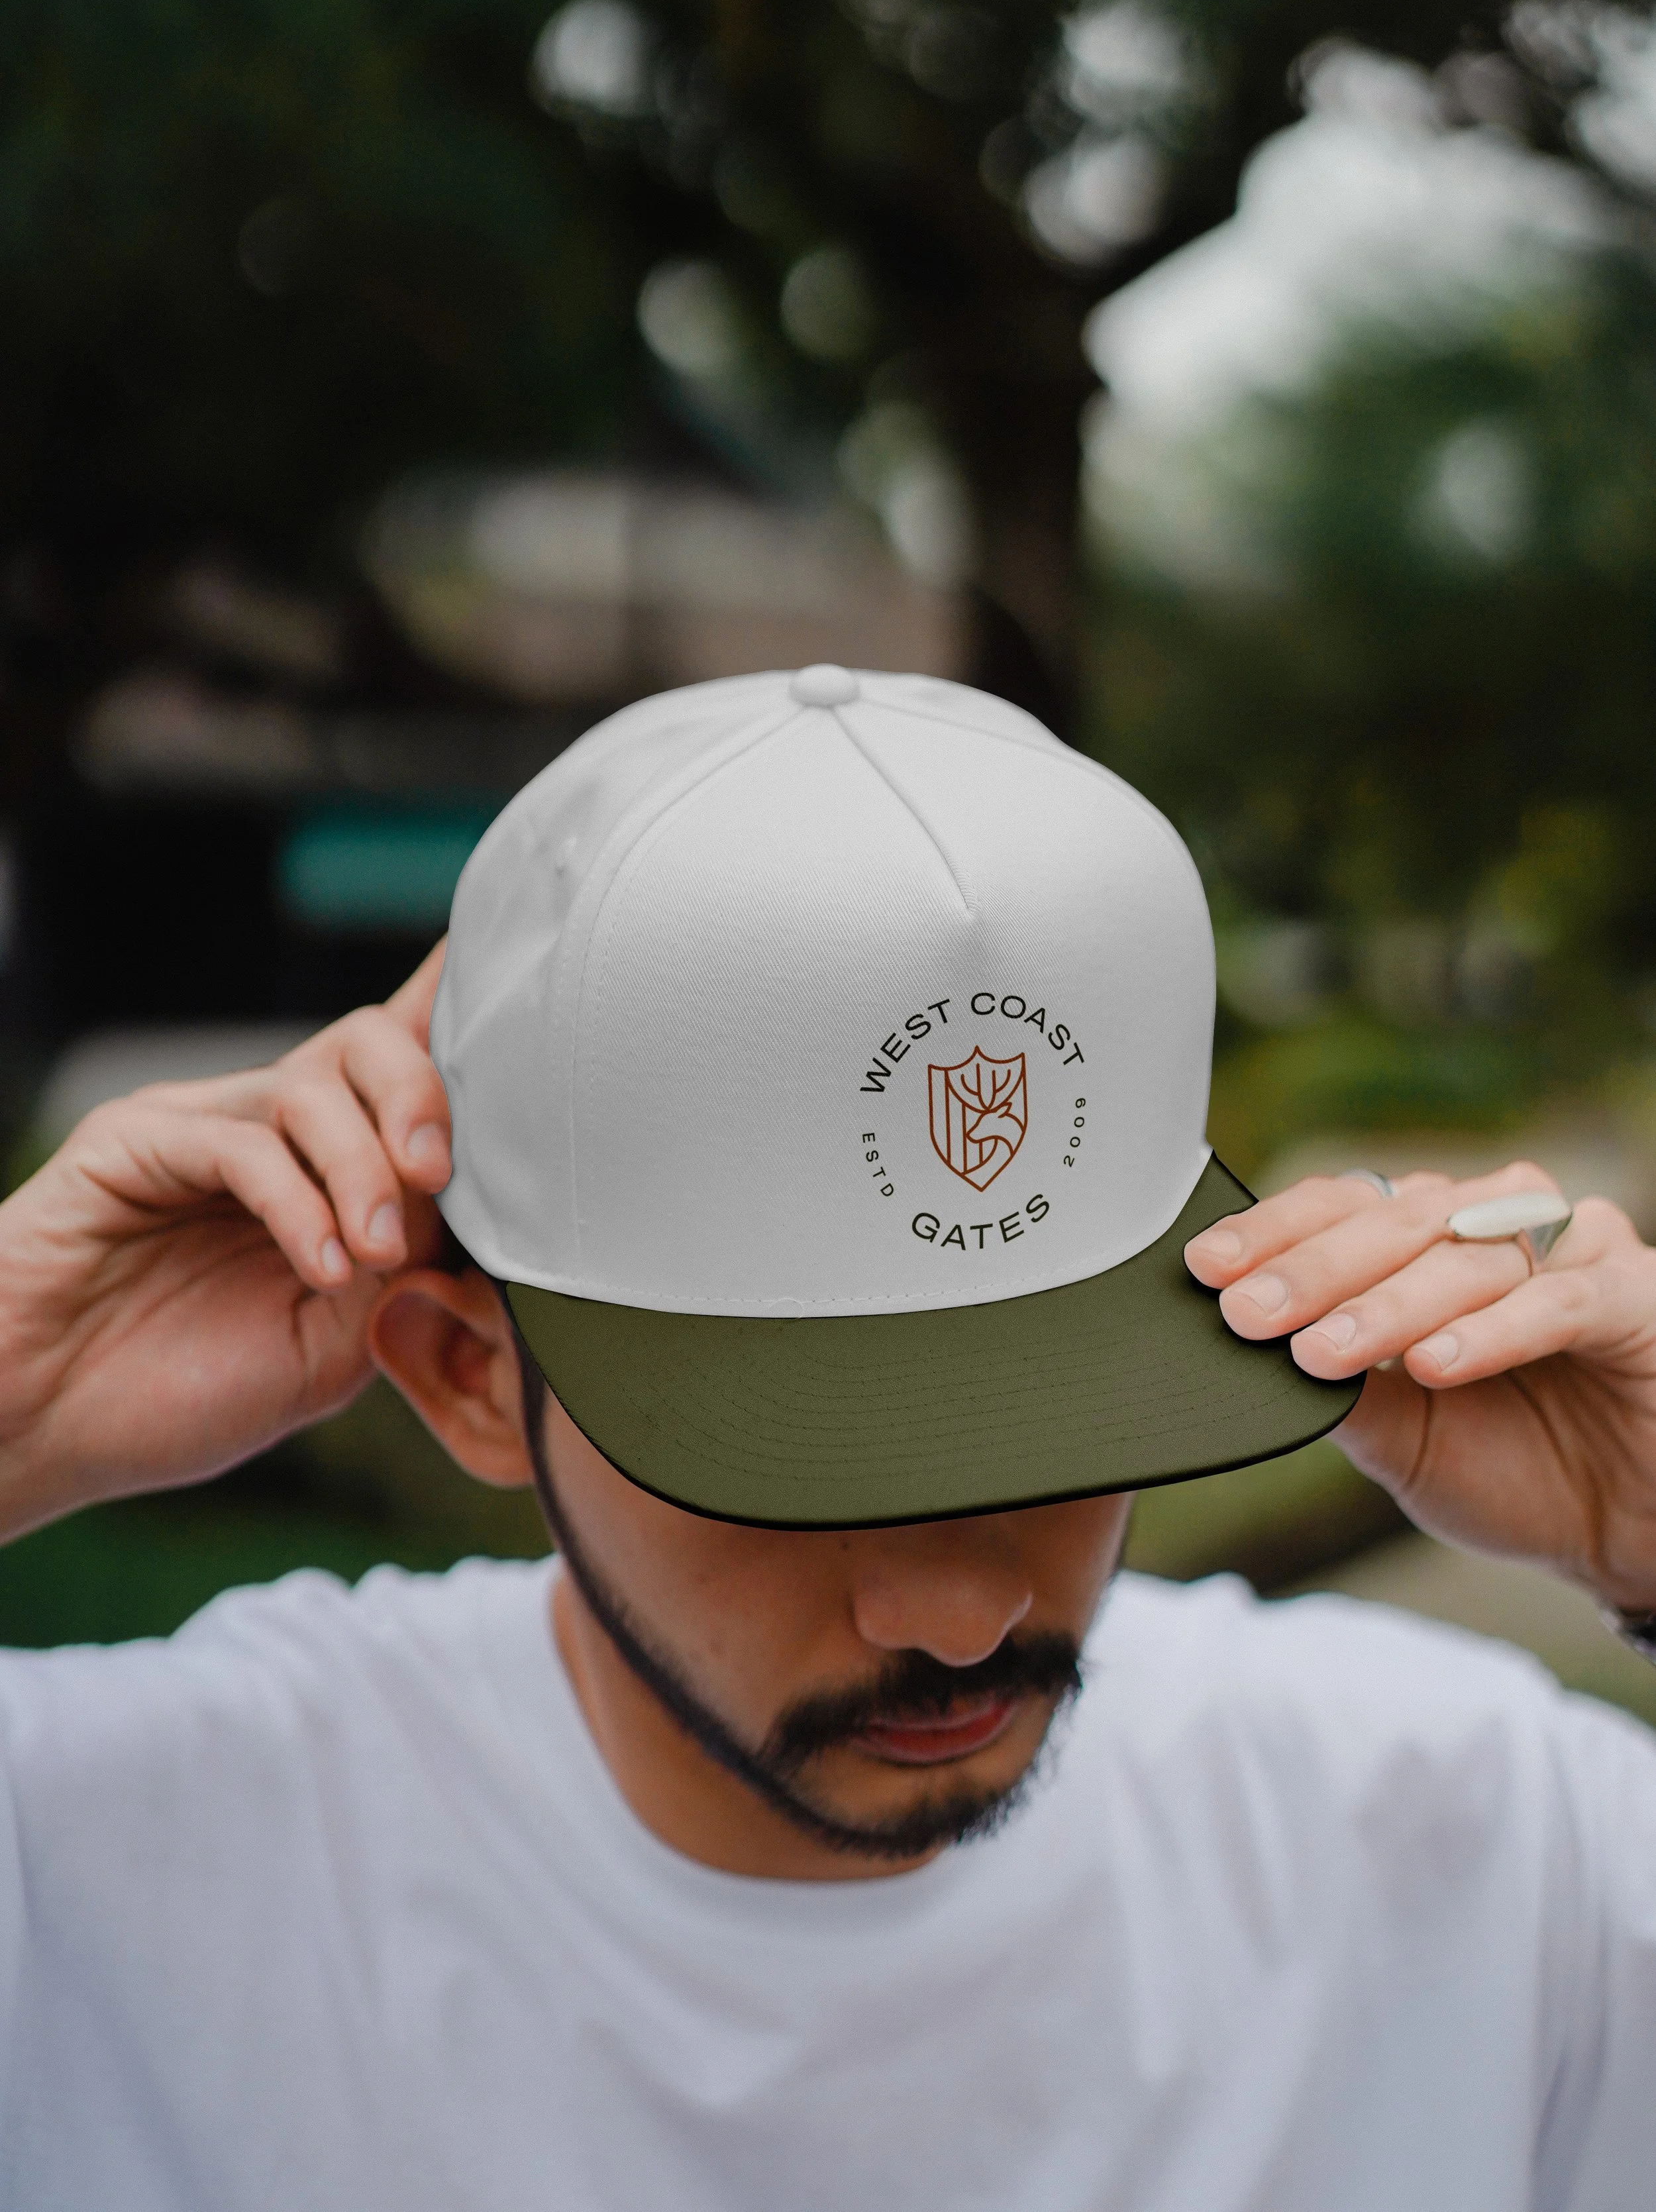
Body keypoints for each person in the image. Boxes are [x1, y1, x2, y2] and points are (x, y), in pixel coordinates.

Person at [0, 664, 1652, 2211]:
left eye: (1054, 1427)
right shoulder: (129, 1862)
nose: (963, 1614)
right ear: (469, 1377)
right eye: (797, 1468)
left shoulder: (1466, 1839)